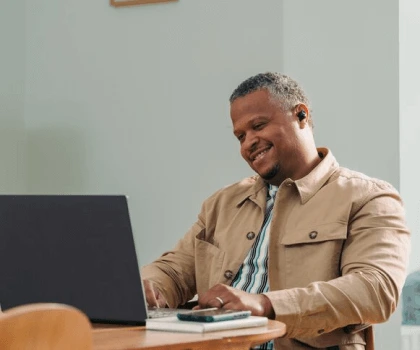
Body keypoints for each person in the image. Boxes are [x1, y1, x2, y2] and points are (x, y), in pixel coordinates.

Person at [141, 72, 410, 349]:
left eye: (258, 126)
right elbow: (175, 270)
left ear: (301, 115)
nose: (248, 143)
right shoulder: (221, 203)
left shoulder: (369, 197)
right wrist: (148, 286)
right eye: (240, 136)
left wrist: (265, 304)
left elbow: (376, 290)